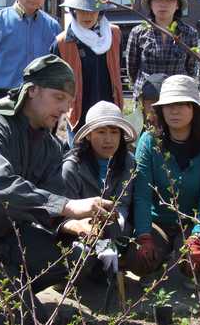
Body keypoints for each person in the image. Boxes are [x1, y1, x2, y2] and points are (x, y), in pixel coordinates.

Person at [0, 55, 115, 324]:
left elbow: (53, 198)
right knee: (27, 318)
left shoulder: (49, 145)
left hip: (10, 237)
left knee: (77, 257)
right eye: (58, 97)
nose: (65, 108)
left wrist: (74, 223)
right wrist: (69, 207)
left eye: (69, 101)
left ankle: (1, 287)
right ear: (32, 90)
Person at [126, 75, 200, 286]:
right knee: (137, 260)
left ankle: (184, 256)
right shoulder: (149, 141)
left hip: (190, 221)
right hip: (156, 221)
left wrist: (197, 235)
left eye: (182, 104)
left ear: (195, 109)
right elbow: (142, 194)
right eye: (169, 105)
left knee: (196, 265)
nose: (174, 111)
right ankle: (157, 261)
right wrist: (143, 235)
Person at [60, 101, 137, 275]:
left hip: (114, 229)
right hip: (78, 234)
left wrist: (111, 233)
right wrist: (95, 237)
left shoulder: (128, 162)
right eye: (101, 132)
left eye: (114, 132)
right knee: (81, 259)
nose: (108, 139)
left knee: (137, 253)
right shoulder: (72, 167)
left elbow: (123, 203)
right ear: (88, 135)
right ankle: (64, 277)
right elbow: (63, 215)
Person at [51, 0, 123, 146]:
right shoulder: (62, 42)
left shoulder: (114, 35)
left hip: (109, 113)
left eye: (93, 9)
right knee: (78, 164)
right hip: (78, 115)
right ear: (73, 10)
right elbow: (54, 84)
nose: (87, 15)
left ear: (101, 11)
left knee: (108, 163)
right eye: (81, 9)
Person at [126, 0, 199, 99]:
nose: (163, 4)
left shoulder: (189, 33)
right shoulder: (138, 32)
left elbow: (191, 69)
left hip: (176, 97)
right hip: (146, 97)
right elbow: (131, 68)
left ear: (177, 5)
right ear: (151, 3)